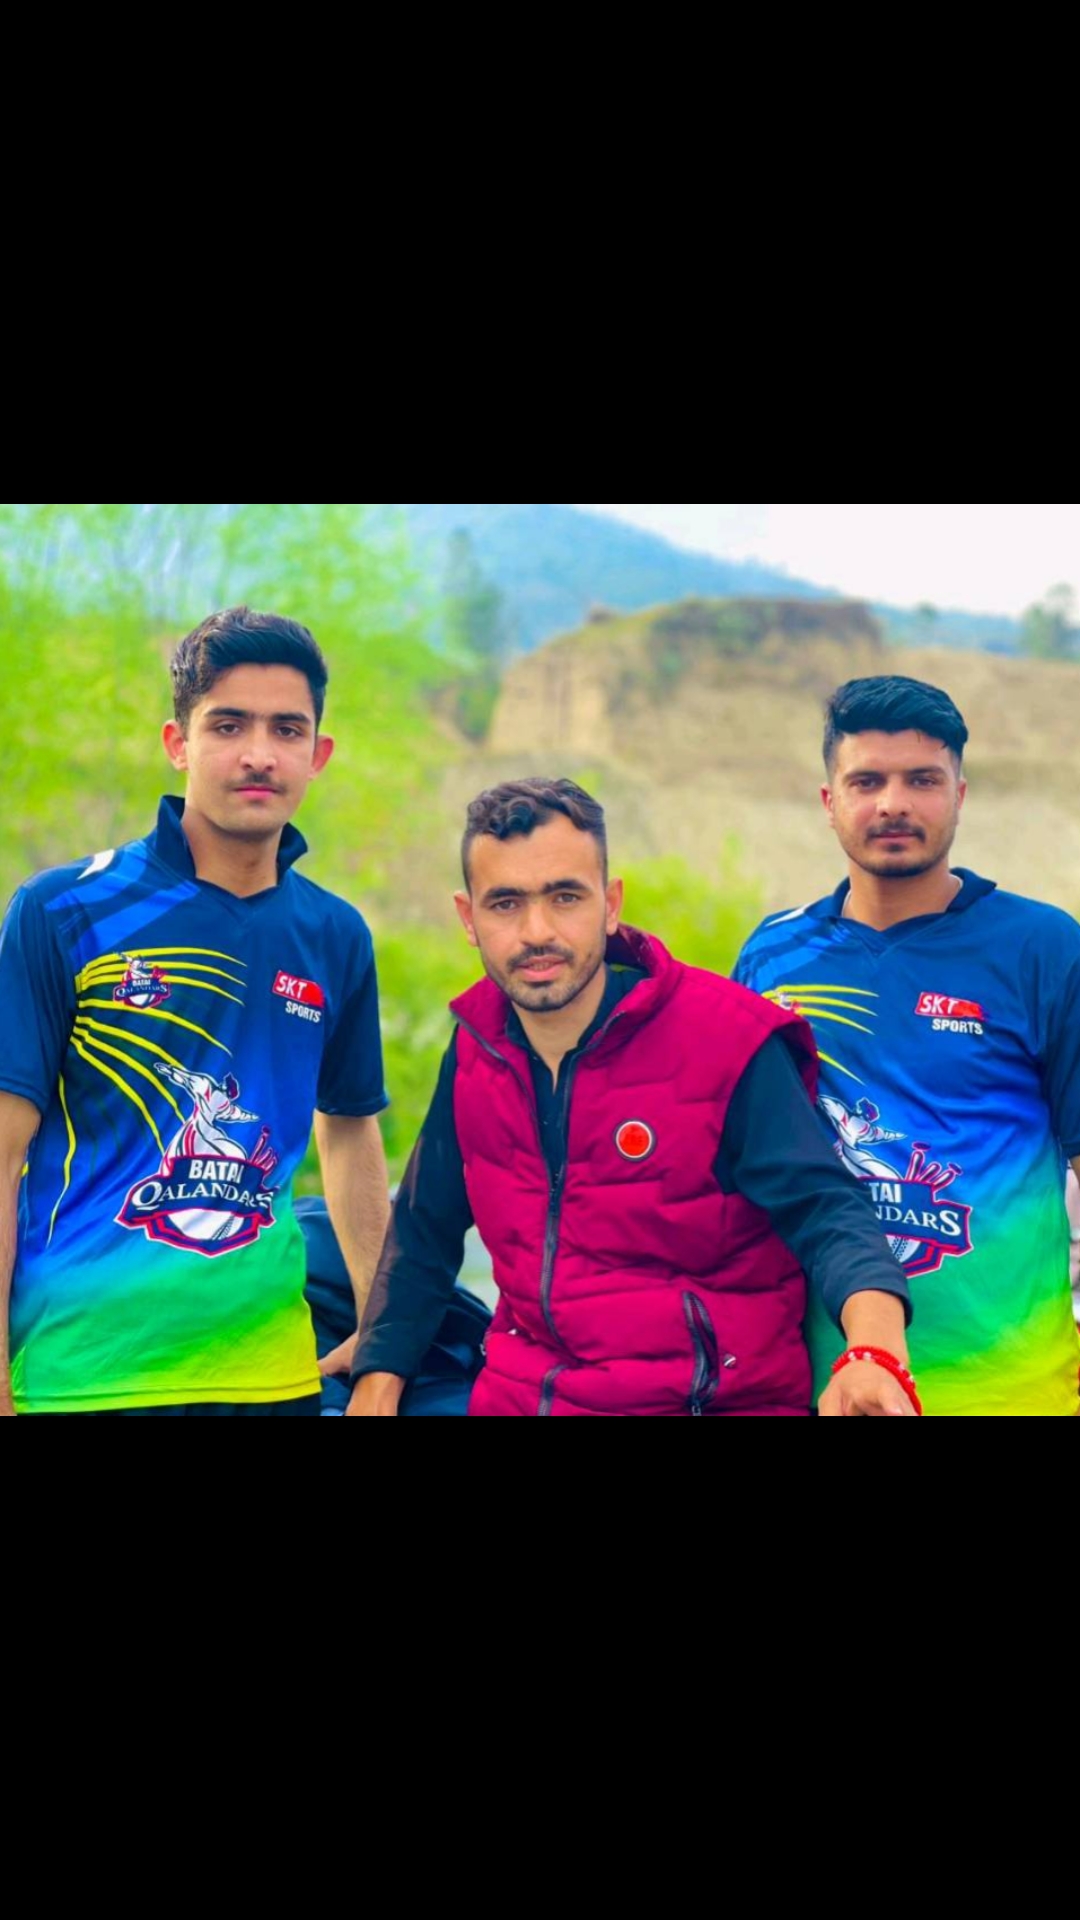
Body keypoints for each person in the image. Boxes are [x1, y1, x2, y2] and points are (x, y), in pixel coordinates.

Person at [349, 777, 915, 1418]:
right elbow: (424, 1230)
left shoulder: (725, 1037)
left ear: (611, 904)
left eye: (565, 897)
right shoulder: (479, 1046)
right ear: (468, 918)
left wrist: (874, 1351)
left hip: (707, 1402)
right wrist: (377, 1380)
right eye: (505, 903)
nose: (537, 931)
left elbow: (827, 1212)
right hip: (523, 1396)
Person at [0, 606, 390, 1416]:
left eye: (287, 730)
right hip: (82, 1374)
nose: (259, 754)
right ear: (178, 742)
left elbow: (350, 1131)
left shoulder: (334, 934)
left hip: (273, 1375)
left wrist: (382, 1337)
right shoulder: (64, 911)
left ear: (318, 755)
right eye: (228, 725)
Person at [734, 674, 1080, 1417]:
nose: (893, 803)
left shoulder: (1045, 948)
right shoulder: (772, 956)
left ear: (960, 794)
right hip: (820, 1386)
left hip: (1011, 1390)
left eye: (922, 779)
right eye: (867, 781)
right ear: (829, 802)